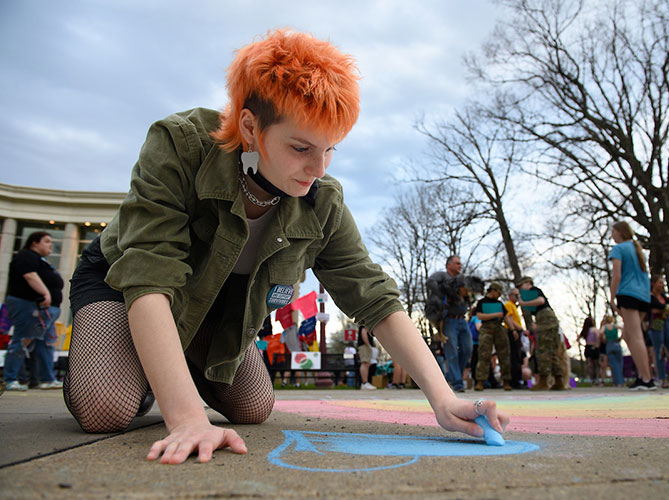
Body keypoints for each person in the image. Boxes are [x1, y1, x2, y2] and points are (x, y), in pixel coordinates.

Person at [62, 30, 509, 465]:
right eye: (300, 147)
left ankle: (166, 365)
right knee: (107, 407)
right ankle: (145, 372)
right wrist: (186, 419)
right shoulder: (181, 146)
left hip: (214, 311)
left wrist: (444, 400)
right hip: (123, 288)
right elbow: (149, 276)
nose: (317, 168)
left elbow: (374, 297)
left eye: (330, 149)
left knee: (254, 407)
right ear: (251, 127)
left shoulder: (322, 200)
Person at [3, 232, 64, 391]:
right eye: (47, 241)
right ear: (34, 243)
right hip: (28, 305)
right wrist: (45, 293)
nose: (50, 245)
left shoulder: (40, 261)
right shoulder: (26, 256)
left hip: (44, 311)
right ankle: (10, 379)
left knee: (46, 344)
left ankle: (47, 379)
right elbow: (30, 276)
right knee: (24, 339)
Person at [608, 221, 656, 390]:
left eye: (613, 231)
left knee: (635, 336)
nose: (612, 235)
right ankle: (644, 376)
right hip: (643, 296)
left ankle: (646, 378)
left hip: (628, 294)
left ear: (620, 232)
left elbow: (617, 275)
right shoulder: (638, 250)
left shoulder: (619, 249)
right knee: (629, 336)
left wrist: (612, 297)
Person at [426, 255, 473, 392]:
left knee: (467, 348)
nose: (460, 266)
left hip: (462, 319)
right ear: (449, 264)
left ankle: (451, 375)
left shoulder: (463, 279)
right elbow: (430, 282)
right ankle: (457, 383)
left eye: (460, 263)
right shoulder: (441, 276)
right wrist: (443, 294)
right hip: (448, 319)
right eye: (457, 263)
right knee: (451, 350)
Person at [516, 277, 565, 390]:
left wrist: (524, 302)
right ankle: (558, 380)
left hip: (545, 319)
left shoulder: (534, 290)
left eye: (521, 286)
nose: (520, 288)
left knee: (542, 350)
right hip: (547, 319)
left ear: (528, 283)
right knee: (552, 351)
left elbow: (541, 301)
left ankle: (543, 381)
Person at [474, 282, 511, 391]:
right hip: (486, 328)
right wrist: (495, 315)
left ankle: (506, 381)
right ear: (493, 291)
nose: (499, 295)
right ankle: (480, 381)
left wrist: (512, 329)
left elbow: (506, 317)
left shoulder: (500, 303)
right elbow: (479, 316)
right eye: (498, 292)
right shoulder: (482, 302)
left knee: (504, 354)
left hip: (499, 328)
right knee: (484, 354)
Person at [504, 288, 525, 388]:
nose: (518, 298)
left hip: (516, 332)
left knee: (517, 355)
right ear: (510, 295)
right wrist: (518, 329)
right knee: (514, 356)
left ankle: (517, 379)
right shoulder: (508, 305)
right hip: (513, 332)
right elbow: (509, 319)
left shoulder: (514, 306)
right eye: (516, 295)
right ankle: (515, 381)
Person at [602, 315, 624, 387]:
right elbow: (623, 329)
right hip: (617, 344)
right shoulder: (615, 326)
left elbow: (600, 333)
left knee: (613, 364)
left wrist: (604, 338)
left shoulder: (605, 327)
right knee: (619, 363)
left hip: (609, 345)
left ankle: (616, 382)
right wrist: (620, 337)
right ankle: (621, 381)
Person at [578, 317, 600, 385]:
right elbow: (599, 336)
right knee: (596, 365)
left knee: (590, 364)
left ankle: (592, 379)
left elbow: (577, 339)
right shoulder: (594, 329)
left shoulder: (585, 331)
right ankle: (596, 379)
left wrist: (583, 344)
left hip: (587, 347)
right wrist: (597, 345)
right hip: (594, 347)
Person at [357, 325, 377, 390]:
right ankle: (365, 383)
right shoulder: (364, 323)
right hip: (364, 345)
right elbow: (364, 333)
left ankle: (365, 383)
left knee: (367, 363)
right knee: (365, 363)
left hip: (365, 345)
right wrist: (368, 345)